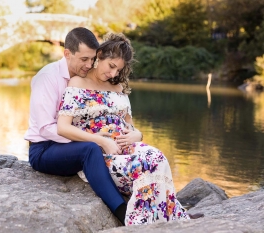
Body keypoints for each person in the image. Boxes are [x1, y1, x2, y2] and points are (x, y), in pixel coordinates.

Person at [57, 32, 195, 225]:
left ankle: (170, 217)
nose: (113, 74)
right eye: (111, 66)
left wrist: (137, 135)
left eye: (118, 70)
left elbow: (131, 126)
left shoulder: (118, 87)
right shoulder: (78, 83)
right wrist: (102, 141)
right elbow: (63, 128)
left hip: (127, 146)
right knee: (144, 167)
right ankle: (138, 224)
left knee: (159, 158)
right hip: (101, 154)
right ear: (101, 54)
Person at [24, 27, 128, 225]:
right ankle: (122, 212)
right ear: (67, 54)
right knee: (90, 150)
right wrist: (94, 139)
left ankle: (164, 208)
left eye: (92, 59)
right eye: (84, 59)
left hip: (71, 145)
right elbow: (46, 128)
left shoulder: (86, 80)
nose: (89, 65)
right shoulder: (48, 78)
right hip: (44, 149)